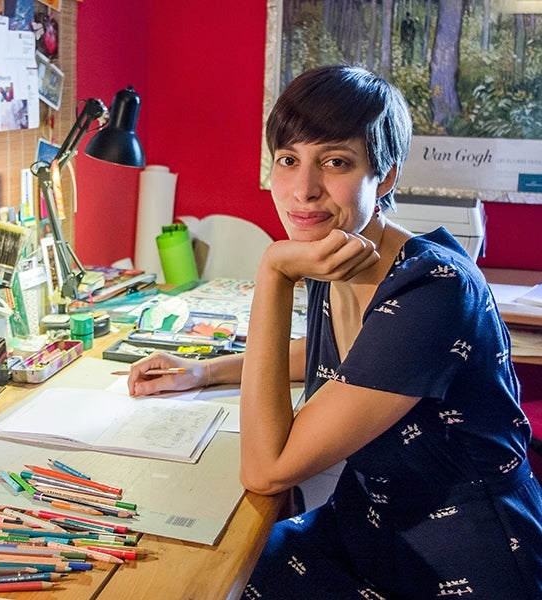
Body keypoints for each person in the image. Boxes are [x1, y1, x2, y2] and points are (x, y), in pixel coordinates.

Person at [127, 65, 542, 599]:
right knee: (188, 568)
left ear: (385, 176)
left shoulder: (432, 288)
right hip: (365, 527)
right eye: (288, 160)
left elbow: (267, 470)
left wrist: (275, 271)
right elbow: (353, 359)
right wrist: (205, 371)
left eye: (336, 162)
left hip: (457, 558)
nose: (304, 190)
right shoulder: (340, 249)